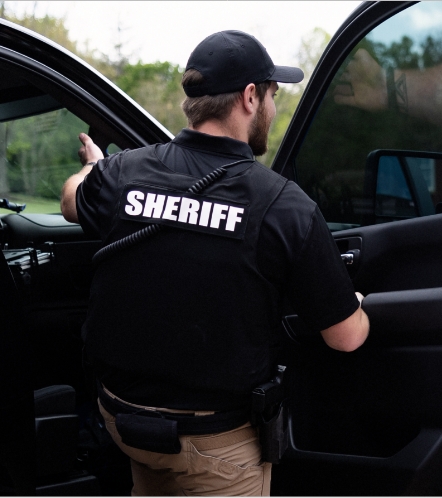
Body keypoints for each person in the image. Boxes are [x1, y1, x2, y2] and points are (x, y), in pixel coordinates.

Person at [59, 30, 369, 496]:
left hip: (121, 420)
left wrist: (92, 168)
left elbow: (69, 201)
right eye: (271, 95)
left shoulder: (122, 173)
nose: (272, 108)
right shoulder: (284, 206)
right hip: (212, 446)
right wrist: (355, 304)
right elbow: (345, 338)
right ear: (249, 97)